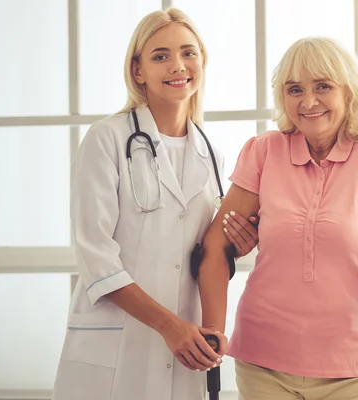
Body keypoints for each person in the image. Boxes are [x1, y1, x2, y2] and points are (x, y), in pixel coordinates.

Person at [197, 36, 358, 400]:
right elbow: (215, 245)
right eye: (294, 90)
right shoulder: (264, 152)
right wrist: (212, 327)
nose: (308, 102)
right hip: (265, 362)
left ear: (349, 92)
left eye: (323, 86)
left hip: (357, 365)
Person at [51, 8, 259, 400]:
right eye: (160, 56)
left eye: (188, 53)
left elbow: (201, 253)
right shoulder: (106, 139)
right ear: (138, 71)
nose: (177, 65)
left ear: (202, 62)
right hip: (117, 343)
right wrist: (168, 325)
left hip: (185, 346)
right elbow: (96, 258)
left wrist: (234, 246)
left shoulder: (211, 153)